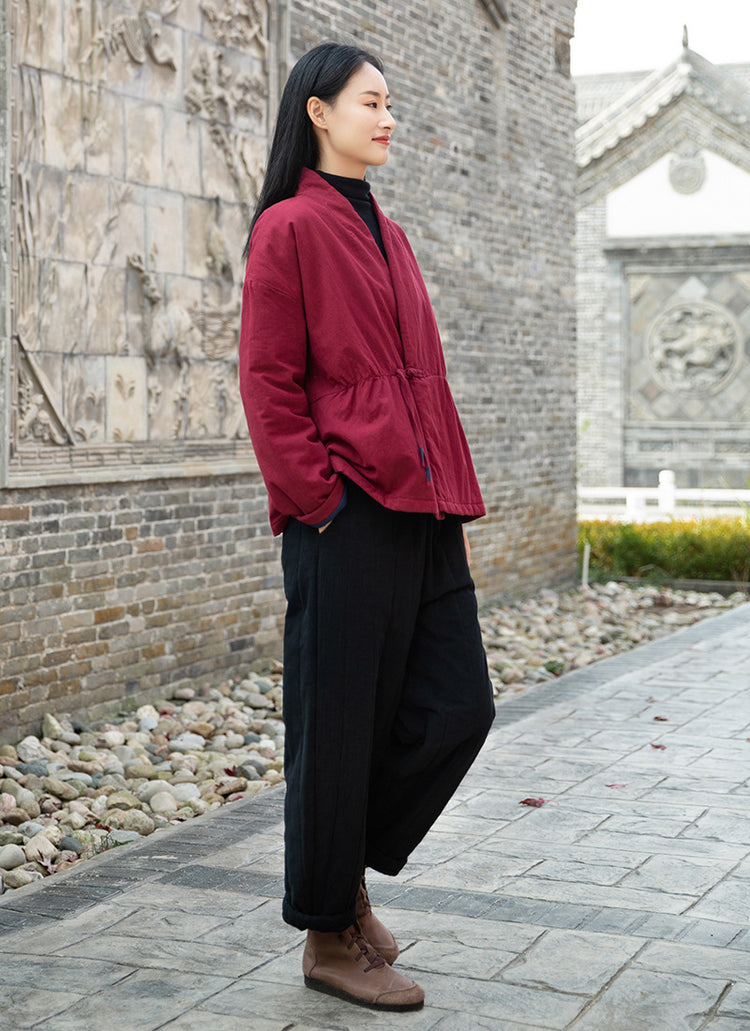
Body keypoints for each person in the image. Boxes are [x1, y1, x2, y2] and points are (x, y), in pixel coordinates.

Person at [239, 41, 495, 1013]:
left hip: (425, 510)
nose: (388, 118)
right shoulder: (290, 228)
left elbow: (421, 383)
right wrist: (319, 500)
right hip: (344, 514)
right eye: (371, 101)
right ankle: (325, 934)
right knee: (338, 728)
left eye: (390, 104)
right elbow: (267, 382)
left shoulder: (392, 234)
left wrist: (445, 496)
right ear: (319, 111)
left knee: (459, 707)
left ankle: (340, 870)